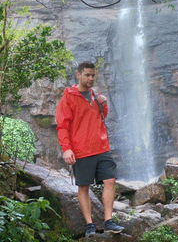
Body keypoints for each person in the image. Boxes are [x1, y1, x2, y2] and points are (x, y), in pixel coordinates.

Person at [56, 61, 124, 236]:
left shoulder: (95, 94)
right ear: (78, 75)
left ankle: (108, 220)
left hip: (102, 147)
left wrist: (104, 104)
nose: (90, 78)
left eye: (93, 75)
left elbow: (101, 116)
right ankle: (90, 225)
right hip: (81, 149)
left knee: (110, 180)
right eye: (87, 75)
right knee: (84, 187)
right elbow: (62, 125)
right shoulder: (68, 97)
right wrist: (66, 148)